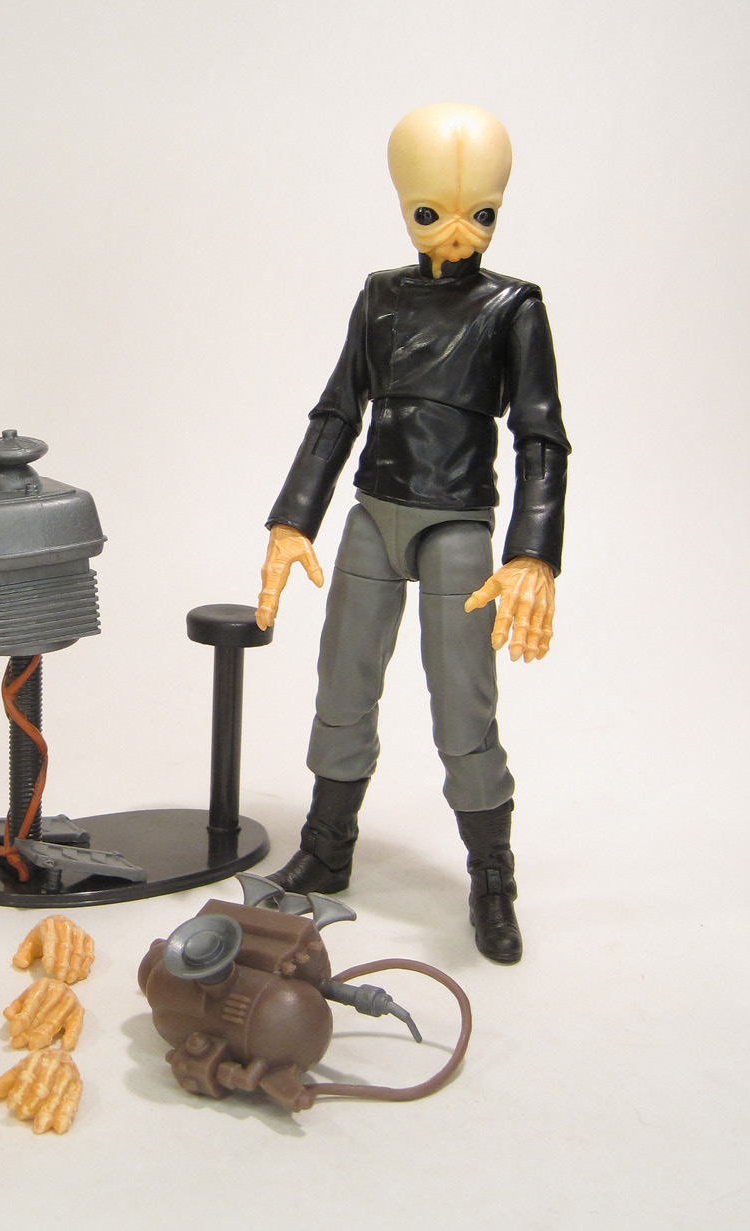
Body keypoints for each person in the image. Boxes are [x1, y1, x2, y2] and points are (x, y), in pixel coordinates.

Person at [255, 103, 570, 964]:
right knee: (342, 683)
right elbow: (337, 410)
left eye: (482, 213)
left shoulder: (511, 306)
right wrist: (291, 520)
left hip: (457, 524)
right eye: (431, 212)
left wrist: (532, 552)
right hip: (373, 514)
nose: (457, 232)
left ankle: (491, 875)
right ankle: (326, 846)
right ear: (403, 205)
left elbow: (539, 434)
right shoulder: (380, 296)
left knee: (462, 703)